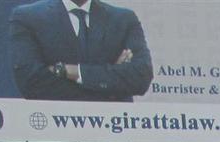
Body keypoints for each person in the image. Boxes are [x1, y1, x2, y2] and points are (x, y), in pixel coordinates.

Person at [10, 0, 153, 102]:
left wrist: (68, 71)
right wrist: (110, 81)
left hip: (114, 129)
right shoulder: (28, 17)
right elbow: (32, 83)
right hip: (57, 129)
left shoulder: (123, 19)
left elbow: (140, 78)